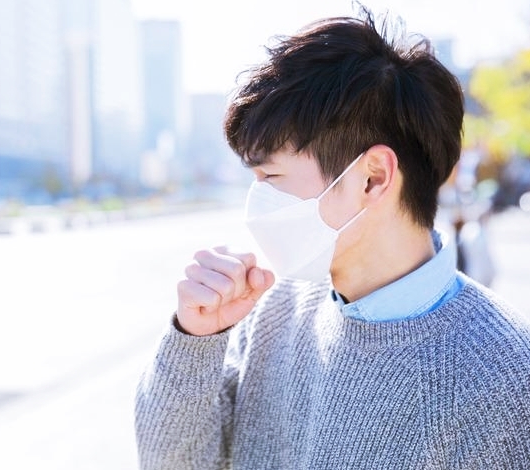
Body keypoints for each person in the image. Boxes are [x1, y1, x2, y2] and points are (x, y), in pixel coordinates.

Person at [134, 6, 530, 470]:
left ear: (373, 178)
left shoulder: (501, 374)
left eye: (270, 176)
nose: (257, 200)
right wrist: (194, 339)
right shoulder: (270, 311)